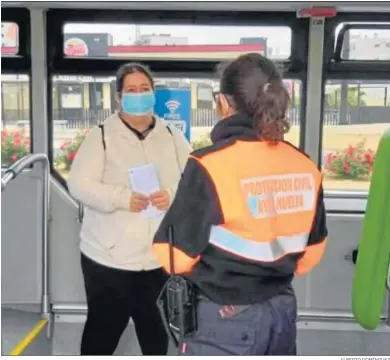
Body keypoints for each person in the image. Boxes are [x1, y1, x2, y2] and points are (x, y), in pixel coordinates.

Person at [152, 53, 328, 356]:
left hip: (226, 317)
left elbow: (175, 257)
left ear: (223, 102)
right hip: (281, 309)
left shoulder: (209, 164)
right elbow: (310, 256)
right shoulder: (305, 166)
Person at [67, 62, 192, 356]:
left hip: (157, 260)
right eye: (132, 90)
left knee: (156, 335)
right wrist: (121, 198)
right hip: (108, 260)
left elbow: (193, 182)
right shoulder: (100, 137)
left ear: (154, 92)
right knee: (102, 333)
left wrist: (171, 194)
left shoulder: (173, 137)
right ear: (119, 97)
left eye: (145, 89)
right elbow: (79, 184)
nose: (139, 94)